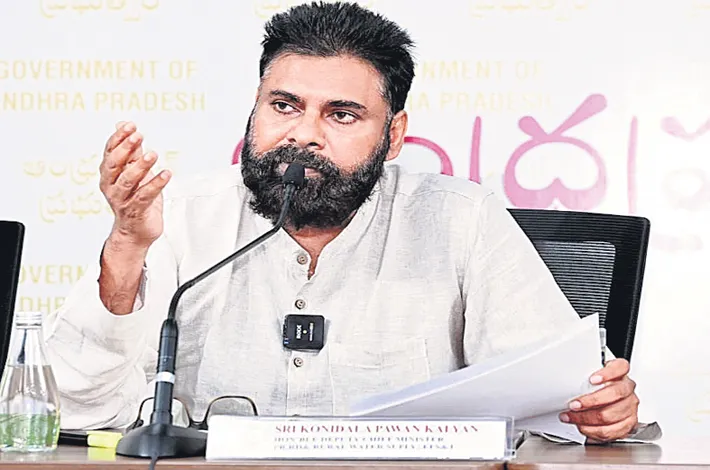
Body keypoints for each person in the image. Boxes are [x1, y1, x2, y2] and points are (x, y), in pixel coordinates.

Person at [44, 1, 639, 443]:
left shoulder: (463, 222)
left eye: (343, 115)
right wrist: (126, 246)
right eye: (284, 106)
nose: (303, 134)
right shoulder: (182, 215)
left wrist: (598, 411)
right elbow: (71, 411)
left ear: (394, 135)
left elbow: (560, 405)